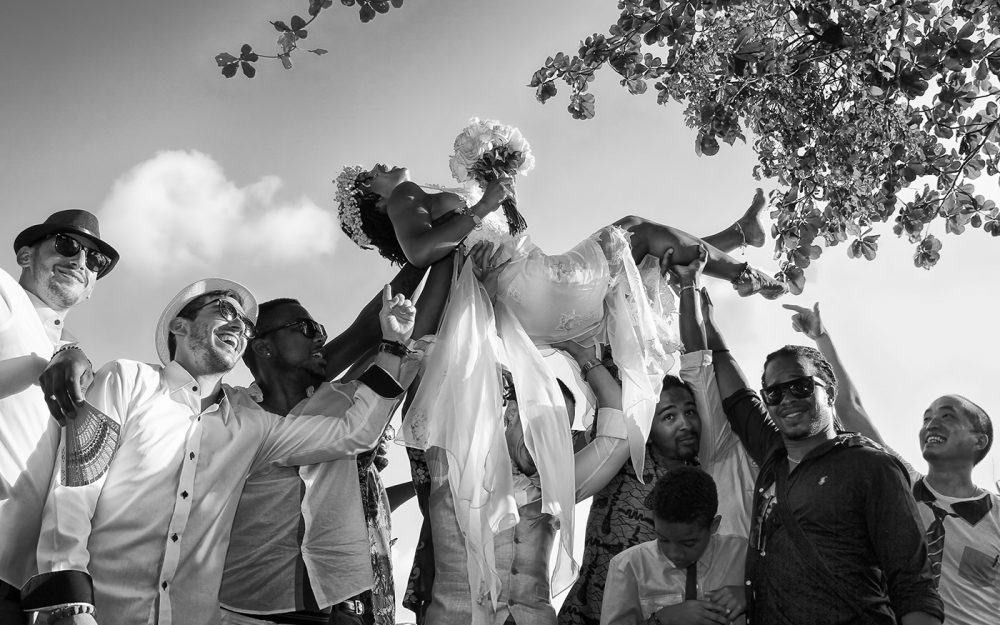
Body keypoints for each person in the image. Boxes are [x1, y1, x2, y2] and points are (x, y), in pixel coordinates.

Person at [20, 278, 421, 625]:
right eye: (225, 310)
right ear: (180, 323)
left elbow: (355, 431)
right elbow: (76, 486)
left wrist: (393, 344)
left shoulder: (252, 425)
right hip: (98, 613)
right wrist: (68, 600)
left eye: (245, 324)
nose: (238, 326)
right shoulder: (128, 380)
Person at [220, 259, 450, 625]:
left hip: (339, 608)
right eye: (305, 327)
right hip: (247, 608)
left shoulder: (348, 399)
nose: (320, 336)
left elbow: (411, 335)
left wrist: (448, 253)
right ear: (262, 348)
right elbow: (362, 338)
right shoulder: (232, 414)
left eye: (319, 327)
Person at [706, 294, 944, 623]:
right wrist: (696, 297)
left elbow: (913, 585)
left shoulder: (871, 467)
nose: (787, 399)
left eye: (801, 387)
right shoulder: (773, 455)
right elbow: (730, 378)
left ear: (829, 392)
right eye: (774, 394)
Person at [559, 246, 757, 625]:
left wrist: (690, 289)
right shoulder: (625, 455)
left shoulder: (707, 468)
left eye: (689, 412)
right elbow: (620, 359)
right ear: (647, 426)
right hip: (587, 612)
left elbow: (700, 367)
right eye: (667, 416)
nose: (685, 423)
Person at [783, 302, 999, 625]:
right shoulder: (900, 484)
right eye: (927, 418)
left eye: (947, 416)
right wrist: (821, 337)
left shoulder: (997, 515)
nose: (931, 424)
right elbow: (849, 408)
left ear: (979, 440)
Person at [416, 337, 628, 625]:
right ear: (513, 414)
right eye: (543, 427)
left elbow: (619, 433)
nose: (548, 445)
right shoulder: (451, 462)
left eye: (560, 434)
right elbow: (431, 361)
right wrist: (493, 370)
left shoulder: (558, 486)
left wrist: (581, 355)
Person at [0, 210, 118, 624]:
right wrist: (38, 365)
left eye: (95, 260)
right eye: (67, 245)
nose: (80, 261)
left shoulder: (81, 364)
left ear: (91, 289)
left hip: (23, 594)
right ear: (26, 256)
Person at [600, 467, 747, 625]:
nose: (674, 553)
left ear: (714, 525)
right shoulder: (628, 567)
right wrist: (662, 619)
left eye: (688, 543)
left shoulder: (744, 555)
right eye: (663, 540)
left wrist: (751, 595)